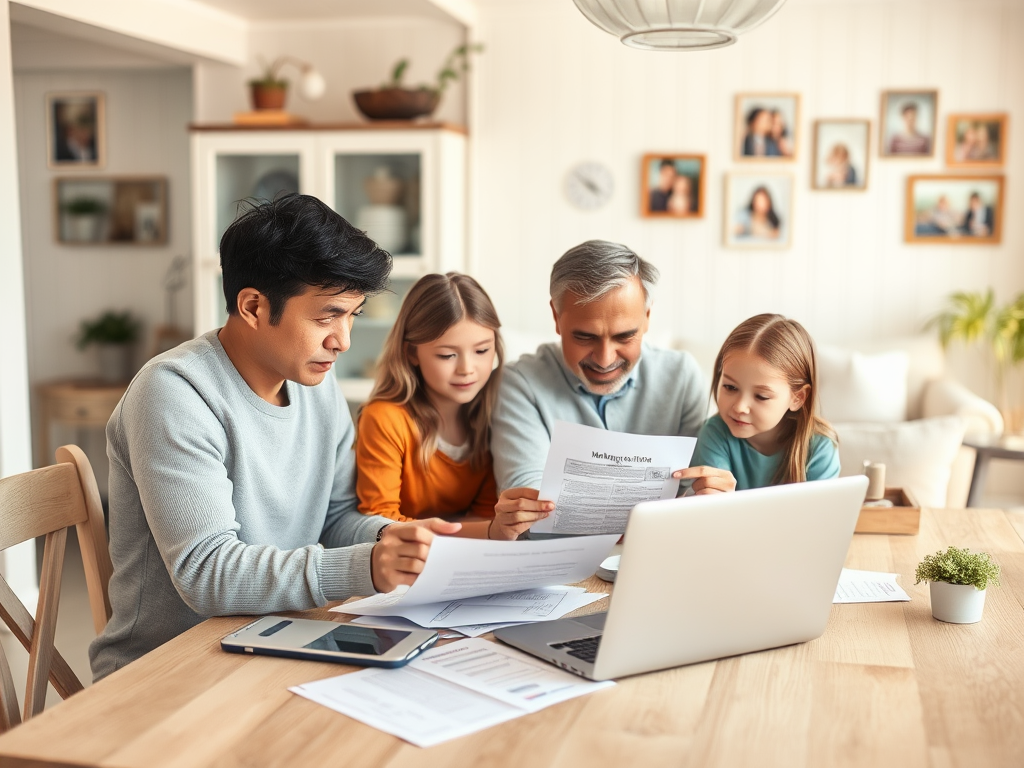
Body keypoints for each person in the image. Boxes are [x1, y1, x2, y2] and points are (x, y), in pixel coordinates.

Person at [90, 194, 460, 680]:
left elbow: (335, 518)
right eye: (327, 317)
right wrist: (366, 566)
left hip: (279, 644)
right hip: (167, 671)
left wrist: (394, 539)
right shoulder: (174, 393)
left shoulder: (314, 385)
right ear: (253, 306)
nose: (343, 340)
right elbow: (207, 573)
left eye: (353, 315)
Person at [490, 240, 736, 536]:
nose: (605, 359)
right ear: (556, 317)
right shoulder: (520, 383)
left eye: (624, 336)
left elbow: (689, 501)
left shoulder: (682, 376)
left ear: (647, 318)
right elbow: (530, 509)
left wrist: (712, 497)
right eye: (584, 337)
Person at [356, 272, 516, 538]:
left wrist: (489, 529)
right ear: (411, 353)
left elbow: (488, 515)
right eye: (447, 355)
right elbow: (381, 524)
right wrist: (487, 531)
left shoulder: (496, 414)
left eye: (482, 351)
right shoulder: (385, 418)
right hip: (401, 563)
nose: (467, 369)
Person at [690, 314, 839, 490]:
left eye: (761, 396)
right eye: (730, 387)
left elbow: (819, 515)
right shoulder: (715, 433)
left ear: (797, 398)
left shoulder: (819, 447)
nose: (739, 407)